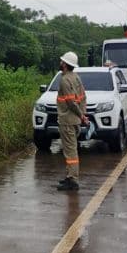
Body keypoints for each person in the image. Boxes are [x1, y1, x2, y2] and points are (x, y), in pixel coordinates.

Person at [56, 51, 87, 192]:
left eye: (62, 61)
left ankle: (73, 180)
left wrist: (81, 116)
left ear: (65, 64)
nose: (60, 63)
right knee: (70, 150)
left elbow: (70, 102)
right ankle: (70, 177)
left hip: (67, 121)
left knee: (70, 152)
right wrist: (83, 115)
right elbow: (83, 98)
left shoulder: (64, 80)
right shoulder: (77, 78)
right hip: (74, 121)